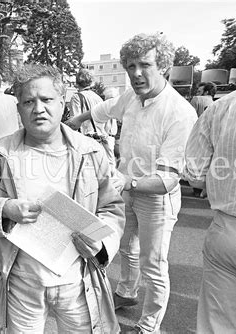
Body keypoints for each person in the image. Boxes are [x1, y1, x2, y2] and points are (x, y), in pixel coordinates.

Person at [0, 64, 125, 333]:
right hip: (21, 282)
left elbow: (111, 208)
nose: (38, 108)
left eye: (46, 100)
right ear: (19, 108)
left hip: (78, 281)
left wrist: (101, 244)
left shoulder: (90, 153)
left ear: (62, 102)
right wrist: (4, 209)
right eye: (28, 102)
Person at [66, 33, 197, 334]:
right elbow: (102, 109)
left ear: (162, 65)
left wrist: (127, 181)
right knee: (126, 247)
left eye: (144, 65)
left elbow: (167, 180)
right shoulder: (131, 98)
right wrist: (74, 122)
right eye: (130, 66)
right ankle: (126, 292)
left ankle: (149, 327)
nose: (136, 73)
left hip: (155, 198)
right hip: (127, 189)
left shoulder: (180, 113)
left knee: (154, 264)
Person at [184, 80, 236, 334]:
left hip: (229, 229)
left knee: (221, 329)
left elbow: (194, 172)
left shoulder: (225, 105)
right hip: (231, 228)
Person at [69, 69, 104, 135]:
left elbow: (74, 123)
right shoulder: (98, 98)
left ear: (77, 81)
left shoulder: (76, 97)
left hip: (84, 138)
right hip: (99, 138)